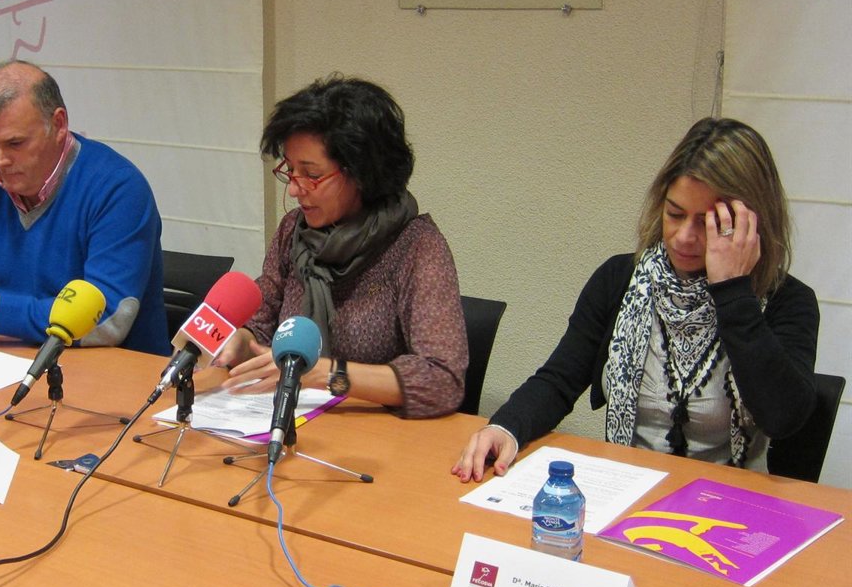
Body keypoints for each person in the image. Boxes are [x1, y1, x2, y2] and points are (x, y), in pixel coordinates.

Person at [453, 117, 819, 481]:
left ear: (749, 224)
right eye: (675, 214)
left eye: (706, 223)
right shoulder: (620, 279)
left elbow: (783, 418)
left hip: (731, 495)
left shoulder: (787, 301)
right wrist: (506, 428)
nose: (683, 237)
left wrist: (734, 292)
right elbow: (559, 380)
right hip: (629, 486)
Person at [216, 75, 469, 418]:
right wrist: (241, 342)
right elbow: (262, 322)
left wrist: (325, 375)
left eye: (312, 175)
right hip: (289, 417)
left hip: (376, 435)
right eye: (290, 170)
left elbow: (441, 381)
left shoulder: (416, 246)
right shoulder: (294, 231)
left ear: (362, 173)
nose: (294, 189)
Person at [0, 60, 169, 355]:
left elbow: (107, 320)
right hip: (15, 359)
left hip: (112, 370)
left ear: (58, 125)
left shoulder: (118, 188)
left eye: (15, 143)